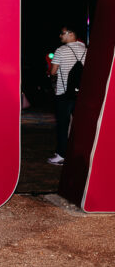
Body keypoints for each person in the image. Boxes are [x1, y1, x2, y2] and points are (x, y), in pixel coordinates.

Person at [48, 26, 87, 165]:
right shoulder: (86, 50)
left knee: (63, 126)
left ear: (71, 34)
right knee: (80, 125)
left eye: (62, 33)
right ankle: (79, 154)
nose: (60, 36)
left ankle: (61, 155)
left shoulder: (61, 50)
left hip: (64, 93)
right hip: (81, 94)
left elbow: (53, 72)